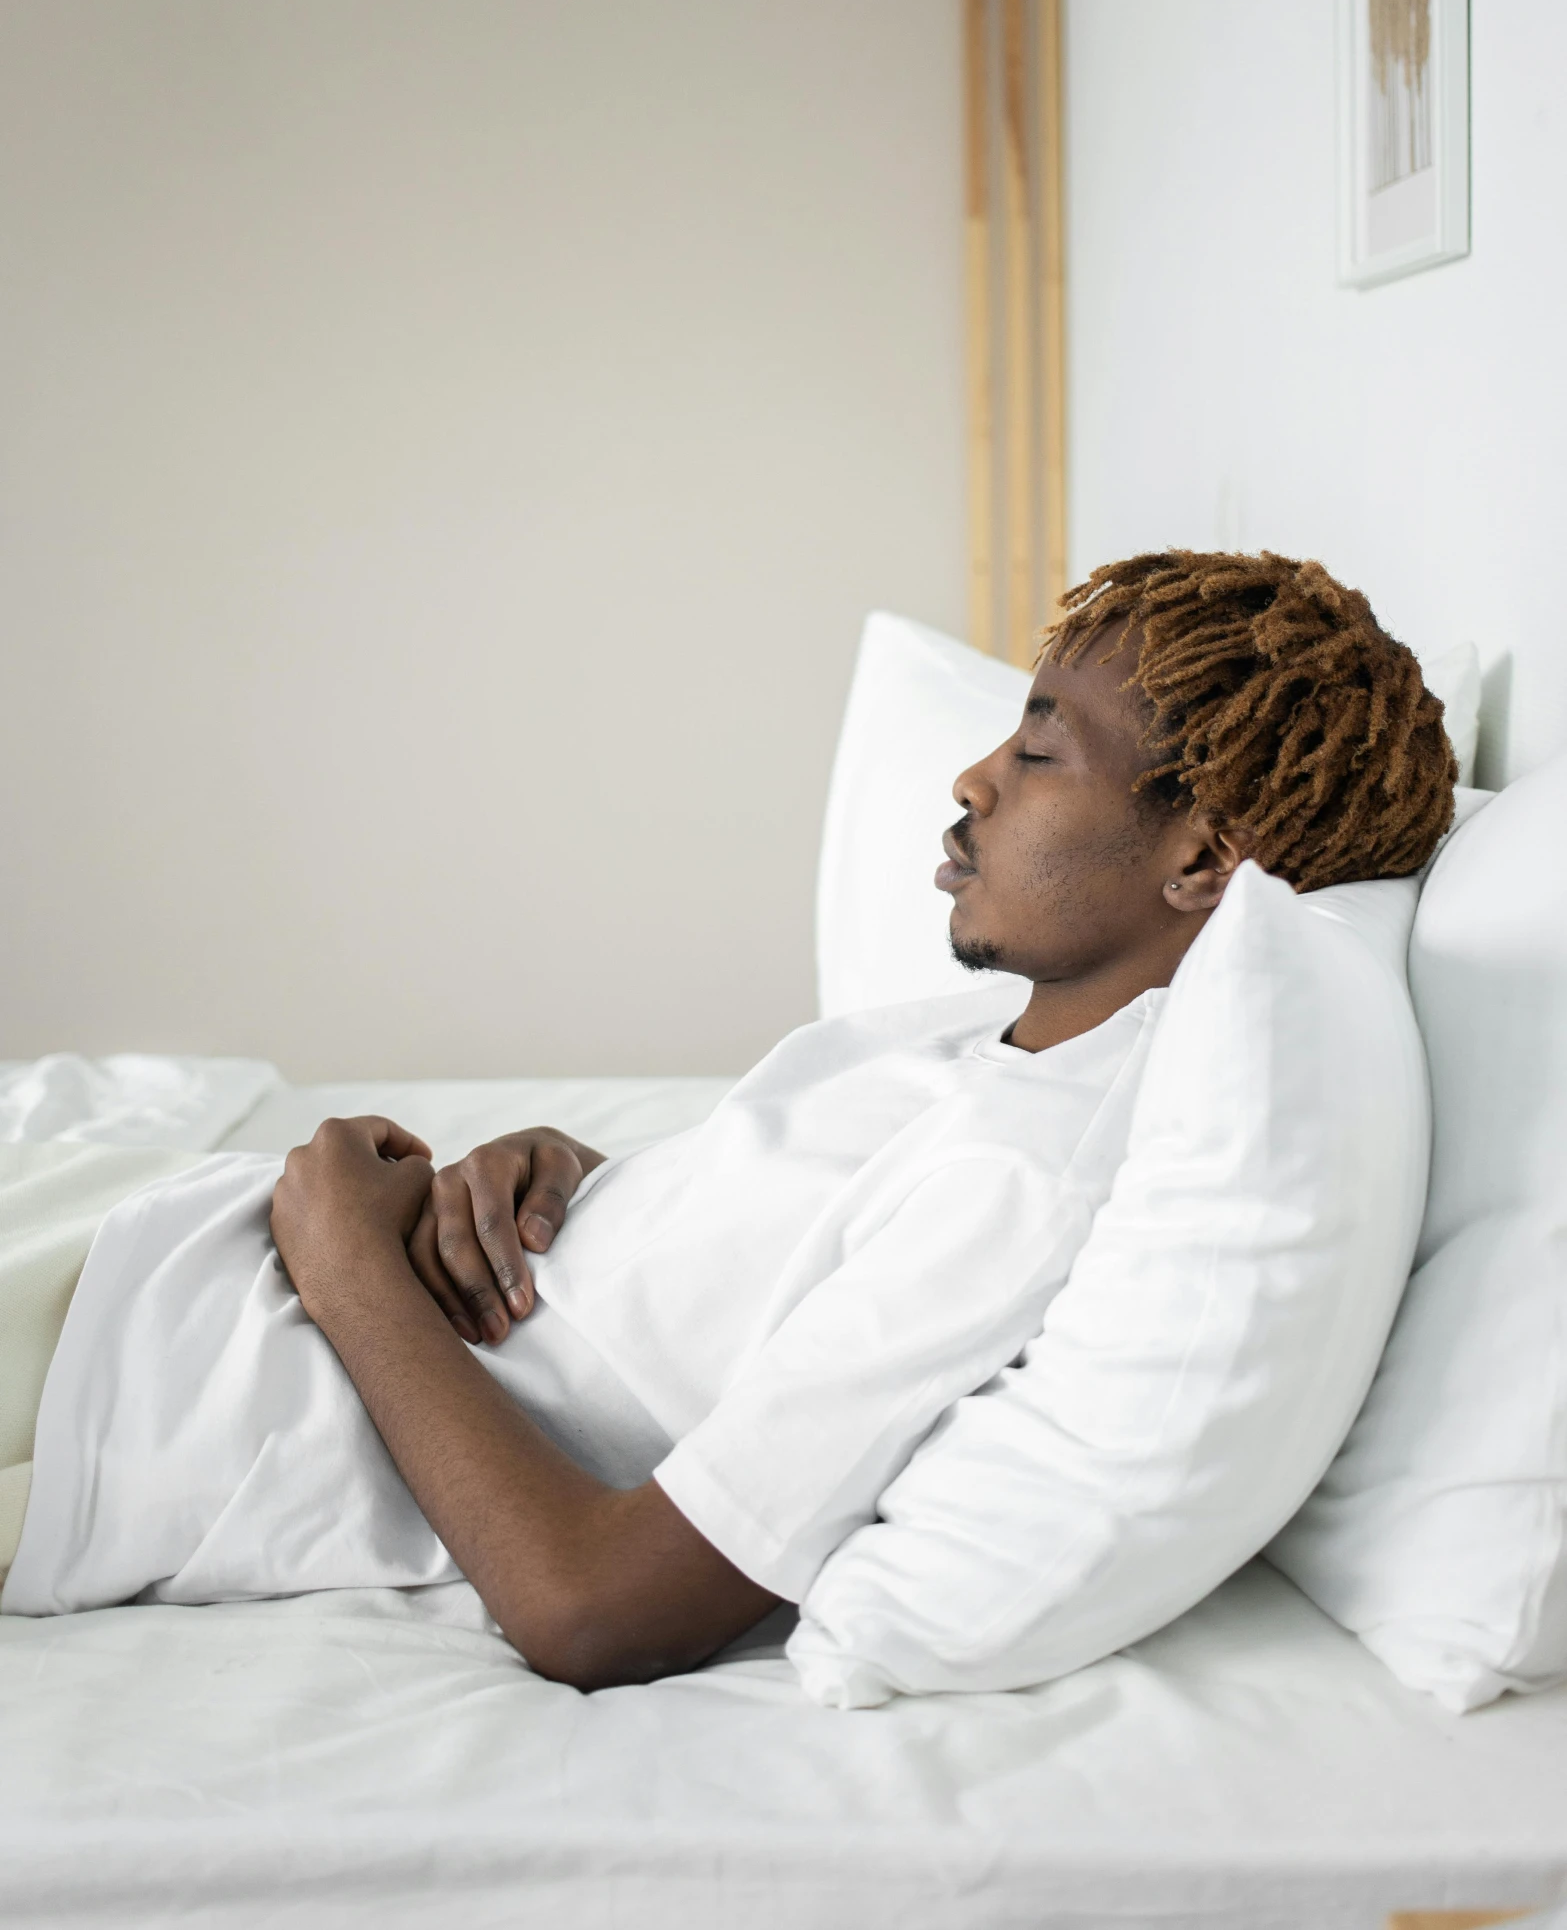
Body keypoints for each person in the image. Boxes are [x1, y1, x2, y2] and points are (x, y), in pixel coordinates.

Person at [3, 551, 1455, 1688]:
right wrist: (577, 1172)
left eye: (1036, 749)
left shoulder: (1025, 1182)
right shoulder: (1001, 1042)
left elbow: (592, 1608)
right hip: (156, 1264)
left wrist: (347, 1269)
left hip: (143, 1391)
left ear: (1200, 853)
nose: (967, 779)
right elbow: (742, 1255)